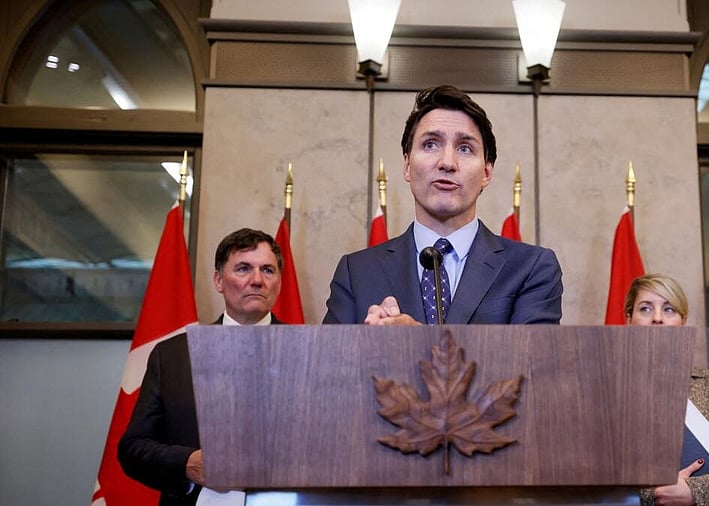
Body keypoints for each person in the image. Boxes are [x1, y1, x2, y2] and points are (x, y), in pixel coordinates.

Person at [323, 84, 563, 325]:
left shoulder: (532, 268)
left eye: (465, 148)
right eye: (430, 144)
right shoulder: (356, 272)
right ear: (407, 166)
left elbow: (532, 361)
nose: (447, 162)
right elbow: (328, 361)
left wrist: (417, 341)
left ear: (487, 173)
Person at [118, 228, 284, 506]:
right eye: (243, 269)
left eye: (268, 270)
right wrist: (186, 463)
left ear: (279, 281)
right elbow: (133, 448)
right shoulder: (172, 355)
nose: (257, 280)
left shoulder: (309, 351)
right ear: (218, 280)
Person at [625, 273, 709, 506]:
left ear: (682, 320)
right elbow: (586, 468)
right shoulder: (604, 387)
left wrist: (693, 491)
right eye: (645, 309)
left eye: (668, 309)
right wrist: (653, 492)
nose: (657, 318)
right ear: (629, 319)